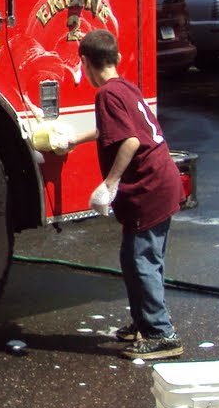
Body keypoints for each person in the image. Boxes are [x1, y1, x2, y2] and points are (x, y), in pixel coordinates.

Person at [69, 29, 185, 361]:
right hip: (163, 182)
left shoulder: (105, 94)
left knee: (141, 262)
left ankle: (161, 334)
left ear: (86, 63)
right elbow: (114, 128)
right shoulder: (124, 86)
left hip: (148, 188)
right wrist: (75, 139)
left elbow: (130, 140)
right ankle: (143, 321)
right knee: (136, 259)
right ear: (117, 59)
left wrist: (110, 183)